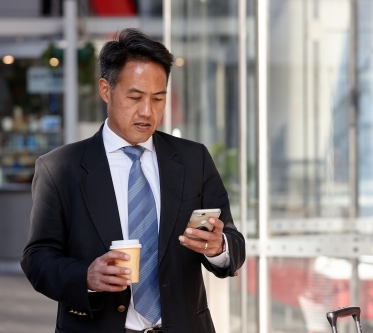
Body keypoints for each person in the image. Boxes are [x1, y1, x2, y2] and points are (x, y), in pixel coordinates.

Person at [21, 28, 245, 333]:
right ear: (105, 90)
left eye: (158, 99)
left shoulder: (194, 159)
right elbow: (37, 258)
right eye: (135, 97)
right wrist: (85, 276)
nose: (147, 112)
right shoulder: (60, 168)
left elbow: (232, 239)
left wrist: (219, 247)